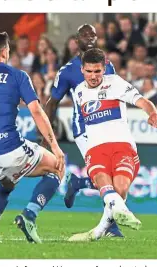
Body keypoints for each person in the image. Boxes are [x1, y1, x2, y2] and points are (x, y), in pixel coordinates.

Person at [0, 32, 65, 244]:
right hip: (8, 148)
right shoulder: (17, 75)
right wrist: (55, 145)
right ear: (5, 51)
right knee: (56, 167)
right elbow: (36, 111)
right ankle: (29, 216)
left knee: (8, 183)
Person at [68, 48, 157, 241]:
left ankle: (98, 231)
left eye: (98, 71)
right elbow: (80, 122)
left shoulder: (115, 83)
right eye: (89, 71)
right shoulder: (79, 92)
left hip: (122, 145)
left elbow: (141, 101)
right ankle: (122, 213)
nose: (94, 76)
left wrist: (152, 112)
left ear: (104, 69)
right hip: (96, 148)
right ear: (82, 70)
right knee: (106, 184)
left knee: (119, 190)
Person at [43, 24, 122, 237]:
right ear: (76, 40)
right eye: (84, 34)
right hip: (84, 128)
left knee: (115, 176)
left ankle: (79, 182)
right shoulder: (68, 70)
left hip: (107, 125)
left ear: (98, 39)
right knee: (107, 175)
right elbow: (52, 103)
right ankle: (111, 226)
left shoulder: (108, 66)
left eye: (93, 34)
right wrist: (46, 135)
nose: (89, 37)